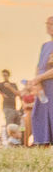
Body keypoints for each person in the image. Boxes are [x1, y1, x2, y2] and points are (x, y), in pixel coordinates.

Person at [32, 16, 53, 148]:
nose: (49, 26)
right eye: (48, 23)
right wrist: (37, 82)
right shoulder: (45, 46)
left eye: (52, 24)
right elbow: (39, 66)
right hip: (42, 88)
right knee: (38, 115)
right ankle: (42, 145)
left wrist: (39, 78)